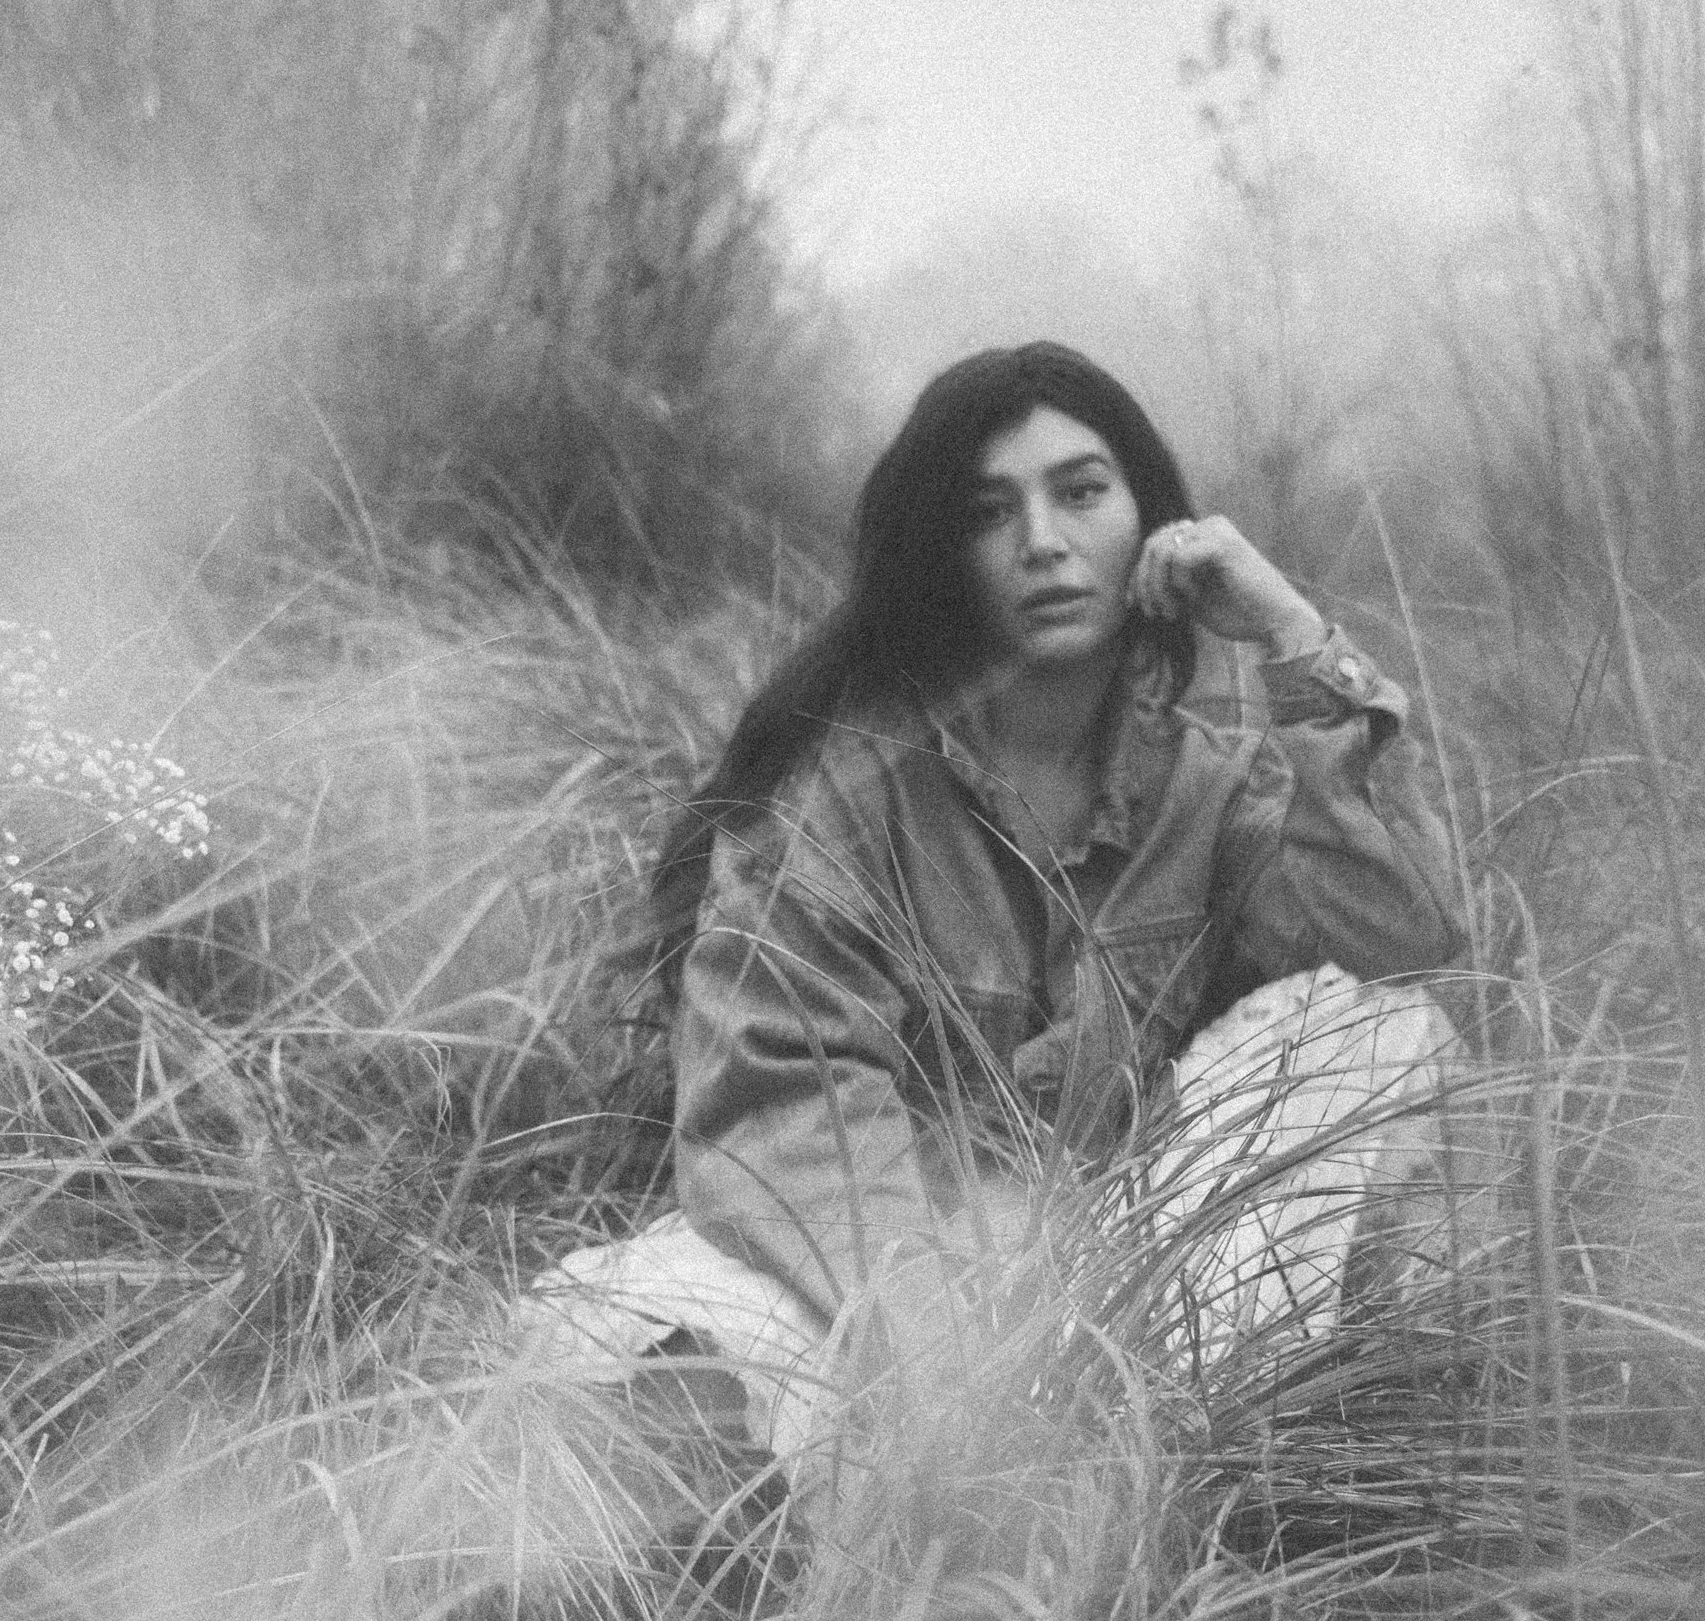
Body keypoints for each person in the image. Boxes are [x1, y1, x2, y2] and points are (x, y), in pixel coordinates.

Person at [519, 343, 1468, 1494]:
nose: (1043, 541)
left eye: (1080, 492)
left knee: (1374, 1028)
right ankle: (933, 1520)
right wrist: (960, 1385)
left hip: (1122, 1277)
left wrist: (1286, 626)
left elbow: (1402, 924)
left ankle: (1212, 1474)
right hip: (879, 1293)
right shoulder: (836, 804)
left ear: (1153, 526)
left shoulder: (1207, 789)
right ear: (942, 559)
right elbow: (793, 1132)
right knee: (604, 1335)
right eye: (989, 510)